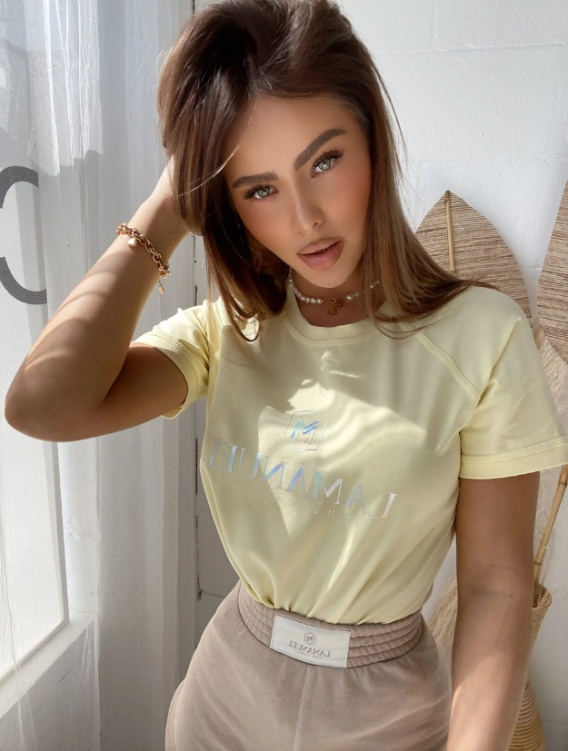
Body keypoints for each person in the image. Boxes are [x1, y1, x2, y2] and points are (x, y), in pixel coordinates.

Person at [5, 0, 568, 749]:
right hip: (223, 700)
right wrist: (167, 207)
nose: (304, 218)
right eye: (259, 188)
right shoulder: (227, 331)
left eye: (324, 161)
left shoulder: (482, 336)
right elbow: (42, 404)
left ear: (373, 143)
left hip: (390, 716)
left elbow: (496, 587)